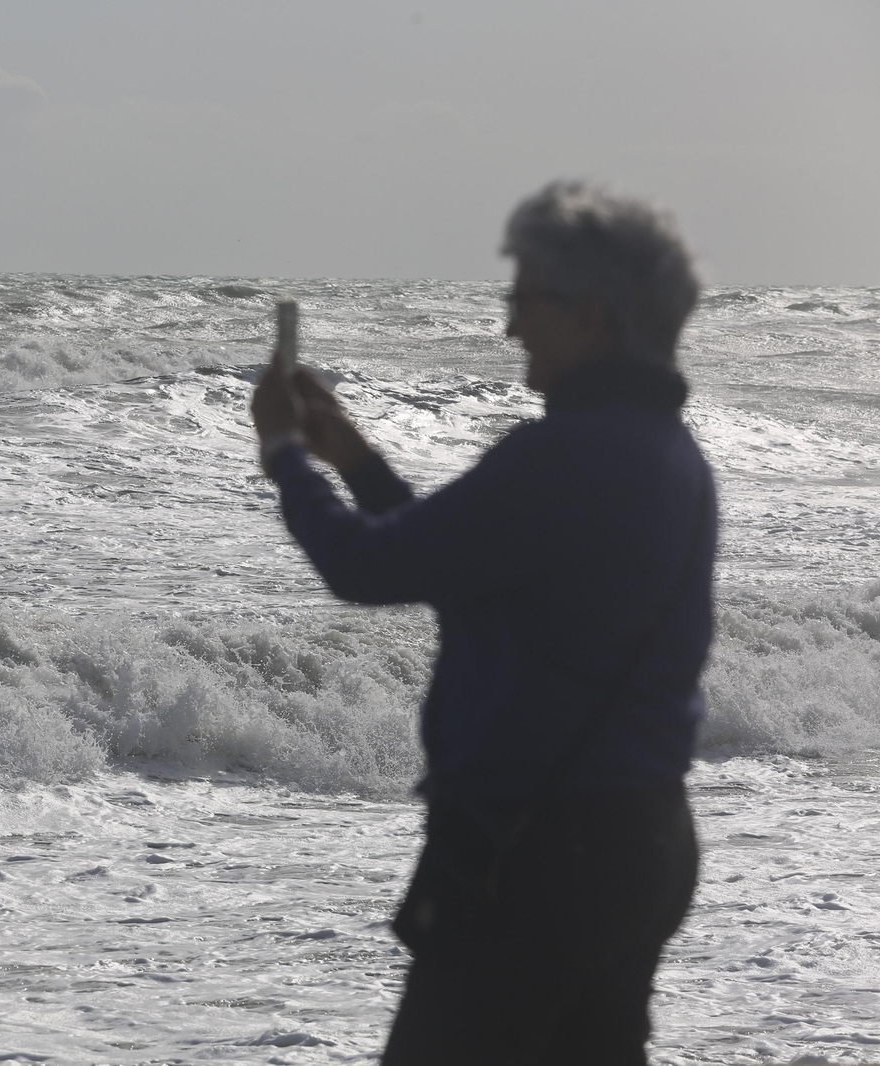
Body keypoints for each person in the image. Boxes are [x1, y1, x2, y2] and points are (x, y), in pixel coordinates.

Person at [250, 181, 716, 1065]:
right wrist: (350, 455)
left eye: (523, 301)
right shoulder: (663, 451)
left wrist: (284, 455)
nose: (510, 328)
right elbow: (462, 568)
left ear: (591, 313)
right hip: (640, 840)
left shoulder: (566, 453)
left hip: (543, 856)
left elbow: (367, 567)